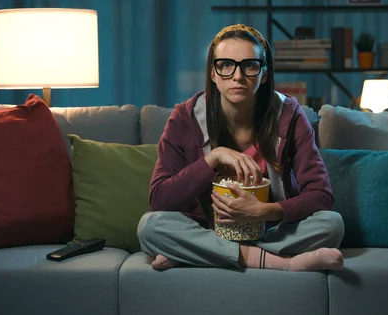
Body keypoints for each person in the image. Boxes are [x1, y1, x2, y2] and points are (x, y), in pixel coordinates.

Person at [137, 23, 345, 272]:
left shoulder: (289, 115)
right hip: (207, 230)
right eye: (225, 65)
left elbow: (321, 196)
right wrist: (212, 158)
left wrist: (263, 211)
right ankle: (281, 263)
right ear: (213, 73)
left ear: (264, 73)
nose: (237, 76)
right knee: (150, 226)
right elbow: (159, 198)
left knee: (332, 224)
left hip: (271, 231)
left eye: (249, 65)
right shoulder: (185, 118)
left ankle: (197, 254)